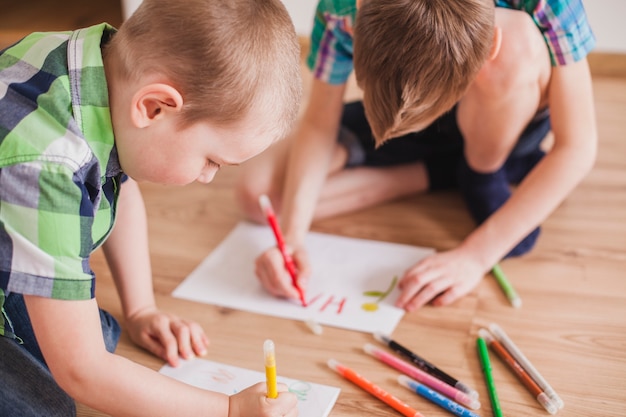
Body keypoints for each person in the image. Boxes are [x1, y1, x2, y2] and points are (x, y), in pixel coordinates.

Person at [0, 0, 302, 415]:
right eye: (212, 160)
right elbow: (83, 372)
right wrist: (228, 410)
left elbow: (115, 189)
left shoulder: (96, 68)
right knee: (50, 402)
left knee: (100, 336)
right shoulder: (47, 165)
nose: (208, 177)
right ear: (153, 107)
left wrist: (141, 309)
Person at [235, 0, 597, 311]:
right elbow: (318, 123)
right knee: (258, 197)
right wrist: (294, 235)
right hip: (407, 115)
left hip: (505, 112)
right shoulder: (342, 9)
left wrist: (474, 258)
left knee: (519, 41)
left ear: (489, 46)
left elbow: (577, 146)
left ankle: (481, 169)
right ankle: (437, 172)